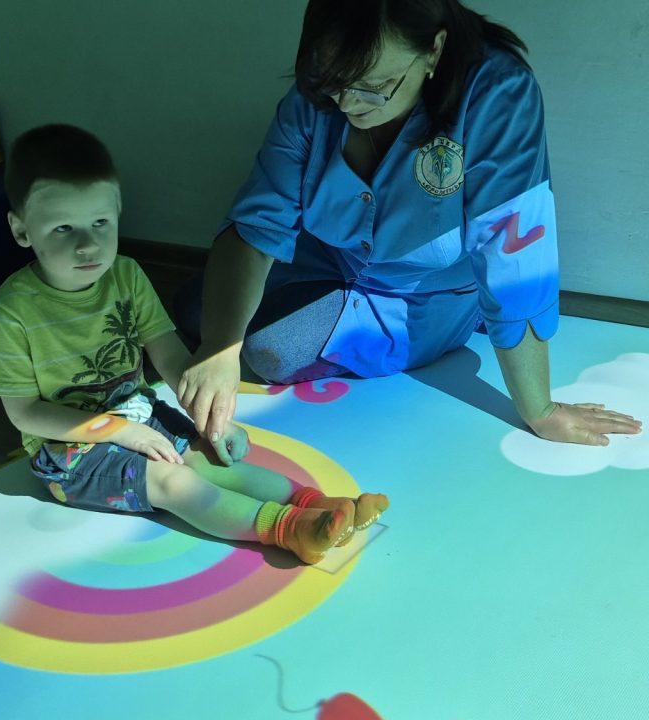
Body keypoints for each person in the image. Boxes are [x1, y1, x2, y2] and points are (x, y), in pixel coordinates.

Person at [175, 0, 642, 448]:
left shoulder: (498, 95)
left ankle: (459, 321)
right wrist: (219, 346)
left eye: (375, 85)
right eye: (335, 82)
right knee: (197, 310)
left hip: (424, 293)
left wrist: (539, 409)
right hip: (330, 257)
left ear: (433, 49)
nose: (349, 104)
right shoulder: (319, 88)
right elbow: (257, 225)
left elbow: (515, 255)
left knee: (271, 349)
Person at [0, 124, 388, 565]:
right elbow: (25, 413)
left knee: (212, 460)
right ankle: (290, 531)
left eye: (100, 223)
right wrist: (119, 431)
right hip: (68, 451)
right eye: (62, 228)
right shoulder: (10, 311)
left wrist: (212, 418)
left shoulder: (126, 275)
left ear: (117, 211)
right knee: (173, 483)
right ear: (22, 229)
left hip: (140, 413)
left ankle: (316, 505)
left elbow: (170, 354)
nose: (87, 244)